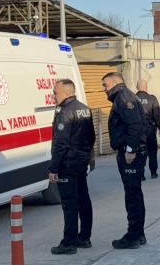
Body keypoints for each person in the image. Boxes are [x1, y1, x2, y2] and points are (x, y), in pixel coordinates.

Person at [48, 79, 96, 255]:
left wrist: (53, 168)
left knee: (69, 204)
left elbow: (61, 144)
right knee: (83, 200)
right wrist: (86, 155)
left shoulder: (65, 113)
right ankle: (84, 238)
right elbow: (91, 137)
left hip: (68, 164)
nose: (53, 95)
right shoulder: (84, 109)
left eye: (55, 92)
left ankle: (69, 242)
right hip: (81, 162)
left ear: (67, 92)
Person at [102, 72, 148, 250]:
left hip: (130, 154)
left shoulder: (123, 97)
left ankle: (133, 236)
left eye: (105, 85)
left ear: (115, 82)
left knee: (132, 196)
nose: (104, 89)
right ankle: (139, 234)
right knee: (135, 194)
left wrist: (130, 150)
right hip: (132, 151)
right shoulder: (125, 96)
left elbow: (135, 125)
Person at [136, 80, 160, 179]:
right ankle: (153, 172)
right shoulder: (152, 98)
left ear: (137, 87)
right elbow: (157, 114)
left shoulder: (133, 98)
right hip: (150, 128)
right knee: (152, 151)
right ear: (146, 87)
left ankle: (141, 175)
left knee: (140, 152)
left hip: (138, 129)